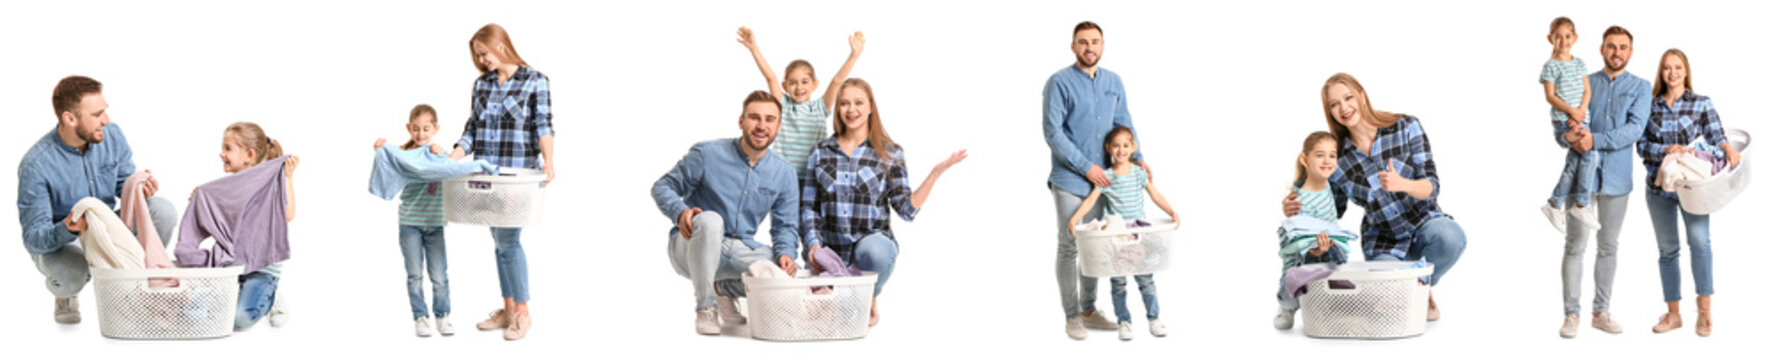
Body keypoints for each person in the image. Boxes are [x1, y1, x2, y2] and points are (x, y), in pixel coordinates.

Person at [1282, 73, 1467, 321]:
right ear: (1330, 112)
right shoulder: (1338, 157)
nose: (1344, 108)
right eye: (1334, 104)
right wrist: (1298, 203)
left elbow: (1431, 186)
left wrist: (1403, 184)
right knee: (1383, 305)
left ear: (1362, 96)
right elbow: (1332, 209)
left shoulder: (1405, 126)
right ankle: (1414, 288)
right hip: (1383, 241)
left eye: (1348, 98)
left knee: (1451, 236)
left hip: (1424, 223)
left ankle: (1418, 286)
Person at [801, 78, 966, 327]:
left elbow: (906, 208)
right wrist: (813, 244)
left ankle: (867, 295)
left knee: (875, 252)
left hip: (870, 248)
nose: (851, 109)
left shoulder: (889, 152)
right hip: (830, 251)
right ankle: (847, 296)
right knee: (830, 319)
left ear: (870, 107)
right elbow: (809, 208)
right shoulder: (820, 152)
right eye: (844, 103)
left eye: (858, 102)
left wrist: (934, 174)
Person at [17, 75, 179, 325]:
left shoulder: (110, 135)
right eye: (97, 114)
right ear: (70, 119)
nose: (106, 120)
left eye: (105, 111)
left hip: (106, 227)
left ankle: (135, 281)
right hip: (67, 241)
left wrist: (138, 186)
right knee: (69, 274)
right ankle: (67, 293)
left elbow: (122, 184)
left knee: (162, 211)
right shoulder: (36, 165)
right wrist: (66, 229)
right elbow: (32, 240)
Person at [652, 90, 801, 335]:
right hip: (691, 245)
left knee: (783, 276)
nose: (761, 126)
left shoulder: (784, 173)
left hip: (737, 249)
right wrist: (681, 212)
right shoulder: (707, 154)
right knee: (711, 220)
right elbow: (663, 186)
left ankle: (723, 290)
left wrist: (786, 253)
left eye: (769, 119)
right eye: (754, 117)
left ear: (778, 126)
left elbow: (785, 225)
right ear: (741, 121)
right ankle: (706, 308)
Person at [1043, 21, 1151, 340]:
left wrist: (1139, 157)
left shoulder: (1114, 81)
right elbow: (1053, 132)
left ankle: (1090, 310)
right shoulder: (1058, 82)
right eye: (1083, 42)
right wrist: (1086, 166)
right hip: (1070, 179)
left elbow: (1123, 122)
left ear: (1102, 46)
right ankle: (1072, 315)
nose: (1089, 47)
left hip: (1107, 179)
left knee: (1097, 245)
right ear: (1073, 46)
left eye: (1095, 42)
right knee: (1069, 245)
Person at [451, 23, 557, 341]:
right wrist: (451, 158)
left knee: (509, 242)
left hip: (517, 177)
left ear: (500, 45)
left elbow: (543, 124)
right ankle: (508, 310)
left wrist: (549, 160)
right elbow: (471, 129)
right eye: (478, 56)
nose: (482, 61)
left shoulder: (536, 81)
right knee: (499, 243)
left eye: (484, 54)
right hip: (486, 176)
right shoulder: (481, 85)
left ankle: (523, 314)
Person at [1555, 25, 1651, 339]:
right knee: (1575, 247)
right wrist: (1568, 135)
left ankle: (1601, 312)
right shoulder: (1584, 83)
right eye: (1611, 46)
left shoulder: (1640, 87)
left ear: (1631, 52)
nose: (1617, 52)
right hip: (1580, 179)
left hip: (1617, 180)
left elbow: (1634, 130)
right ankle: (1571, 315)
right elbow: (1563, 124)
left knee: (1608, 247)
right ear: (1601, 49)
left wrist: (1593, 139)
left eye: (1623, 47)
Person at [1638, 48, 1735, 338]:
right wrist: (1665, 150)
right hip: (1659, 188)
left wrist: (1728, 148)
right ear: (1661, 72)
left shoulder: (1701, 103)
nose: (1673, 73)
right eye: (1667, 68)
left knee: (1700, 243)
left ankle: (1704, 311)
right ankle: (1673, 314)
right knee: (1668, 251)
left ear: (1686, 71)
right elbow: (1641, 145)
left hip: (1693, 188)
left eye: (1678, 67)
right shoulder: (1649, 106)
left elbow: (1718, 136)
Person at [1064, 126, 1174, 340]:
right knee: (1119, 282)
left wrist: (1171, 211)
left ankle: (1154, 318)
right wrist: (1075, 218)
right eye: (1116, 145)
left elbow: (1155, 195)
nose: (1121, 150)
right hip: (1116, 237)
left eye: (1125, 145)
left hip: (1139, 234)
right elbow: (1091, 201)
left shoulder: (1139, 173)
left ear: (1133, 147)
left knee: (1145, 279)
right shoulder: (1106, 176)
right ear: (1108, 148)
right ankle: (1124, 321)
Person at [736, 26, 864, 180]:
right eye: (793, 83)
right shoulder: (783, 105)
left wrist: (854, 56)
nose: (799, 87)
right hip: (785, 175)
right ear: (785, 86)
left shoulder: (820, 107)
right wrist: (754, 49)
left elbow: (837, 82)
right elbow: (770, 77)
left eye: (804, 82)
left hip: (814, 175)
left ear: (814, 84)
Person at [373, 105, 455, 337]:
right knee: (415, 274)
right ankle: (420, 316)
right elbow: (385, 171)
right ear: (409, 128)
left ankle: (443, 315)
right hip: (410, 223)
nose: (421, 134)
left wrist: (442, 156)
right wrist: (380, 149)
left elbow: (453, 172)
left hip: (435, 223)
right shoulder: (402, 155)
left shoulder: (441, 154)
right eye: (416, 129)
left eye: (426, 129)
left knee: (439, 275)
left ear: (435, 129)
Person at [1539, 16, 1599, 232]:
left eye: (1567, 36)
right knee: (1590, 154)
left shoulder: (1579, 63)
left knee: (1575, 163)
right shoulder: (1551, 67)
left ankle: (1555, 204)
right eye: (1558, 37)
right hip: (1565, 121)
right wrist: (1571, 112)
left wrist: (1581, 110)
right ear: (1550, 39)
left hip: (1582, 118)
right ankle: (1582, 204)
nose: (1563, 41)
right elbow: (1551, 96)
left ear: (1575, 38)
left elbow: (1587, 90)